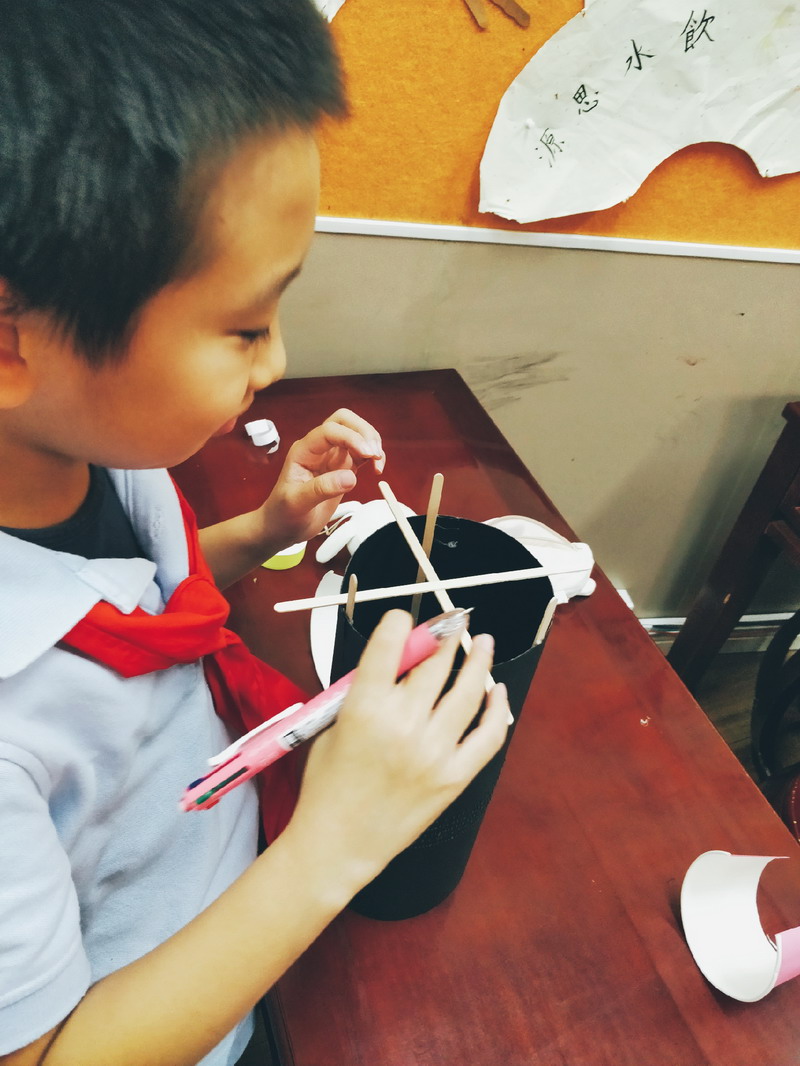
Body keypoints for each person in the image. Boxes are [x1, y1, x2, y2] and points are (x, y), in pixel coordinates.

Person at [0, 2, 511, 1064]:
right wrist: (335, 842)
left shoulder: (90, 452)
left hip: (230, 866)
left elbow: (129, 605)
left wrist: (259, 528)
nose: (275, 363)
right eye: (244, 326)